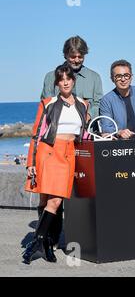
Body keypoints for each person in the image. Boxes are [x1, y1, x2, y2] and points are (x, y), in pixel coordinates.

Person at [39, 35, 103, 245]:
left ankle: (82, 237)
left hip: (82, 143)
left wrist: (85, 117)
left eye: (80, 56)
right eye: (72, 56)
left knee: (79, 191)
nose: (76, 60)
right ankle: (50, 238)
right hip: (55, 146)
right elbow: (46, 107)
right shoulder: (50, 76)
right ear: (65, 55)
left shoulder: (94, 77)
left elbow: (96, 105)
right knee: (51, 194)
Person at [23, 64, 89, 264]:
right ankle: (42, 242)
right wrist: (30, 163)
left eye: (68, 78)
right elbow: (36, 134)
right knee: (49, 201)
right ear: (57, 83)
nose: (65, 82)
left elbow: (84, 133)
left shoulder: (82, 104)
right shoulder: (47, 103)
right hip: (49, 152)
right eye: (61, 79)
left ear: (73, 80)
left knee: (54, 201)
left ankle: (40, 242)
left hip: (69, 153)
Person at [99, 60, 135, 139]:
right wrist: (119, 132)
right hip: (121, 146)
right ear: (112, 79)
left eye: (126, 75)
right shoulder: (106, 100)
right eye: (118, 76)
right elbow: (106, 127)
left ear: (131, 77)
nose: (123, 79)